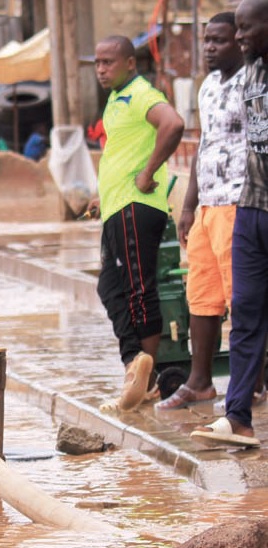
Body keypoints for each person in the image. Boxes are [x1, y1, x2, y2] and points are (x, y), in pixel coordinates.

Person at [157, 12, 265, 410]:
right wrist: (188, 206)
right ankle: (200, 381)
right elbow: (204, 146)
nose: (209, 48)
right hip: (208, 206)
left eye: (219, 40)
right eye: (206, 41)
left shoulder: (253, 82)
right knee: (202, 297)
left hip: (243, 203)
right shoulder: (207, 87)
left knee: (245, 300)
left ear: (240, 40)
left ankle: (251, 384)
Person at [89, 35, 185, 412]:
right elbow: (125, 150)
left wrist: (148, 173)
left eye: (108, 62)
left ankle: (141, 377)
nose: (101, 69)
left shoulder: (140, 93)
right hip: (118, 206)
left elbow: (173, 124)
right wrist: (104, 194)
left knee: (137, 288)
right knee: (110, 286)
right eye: (97, 63)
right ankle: (136, 365)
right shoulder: (116, 99)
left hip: (136, 205)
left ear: (130, 63)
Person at [190, 0, 268, 448]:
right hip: (251, 208)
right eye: (234, 30)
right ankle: (237, 417)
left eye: (245, 29)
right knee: (246, 315)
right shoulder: (251, 72)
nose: (239, 38)